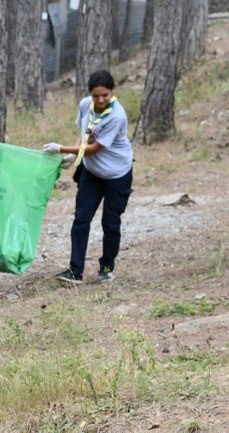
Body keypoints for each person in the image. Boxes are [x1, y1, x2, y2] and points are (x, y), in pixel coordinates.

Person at [43, 69, 134, 285]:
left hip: (116, 174)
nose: (101, 99)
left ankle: (107, 266)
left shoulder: (116, 116)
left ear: (112, 92)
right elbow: (85, 134)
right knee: (81, 219)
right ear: (90, 94)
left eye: (105, 95)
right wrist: (73, 155)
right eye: (96, 95)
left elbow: (95, 148)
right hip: (92, 173)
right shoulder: (86, 105)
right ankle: (76, 271)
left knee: (110, 223)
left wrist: (62, 149)